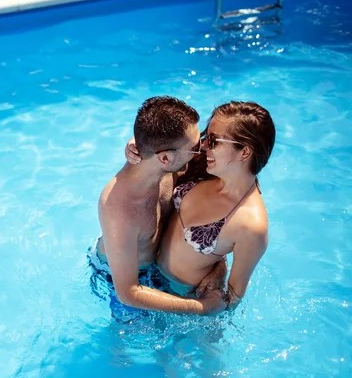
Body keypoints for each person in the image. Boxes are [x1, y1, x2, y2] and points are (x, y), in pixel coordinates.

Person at [125, 101, 276, 310]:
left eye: (214, 141)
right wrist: (139, 146)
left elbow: (231, 297)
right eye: (206, 137)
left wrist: (202, 306)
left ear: (244, 153)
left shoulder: (250, 225)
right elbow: (164, 150)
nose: (203, 146)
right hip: (145, 273)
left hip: (180, 302)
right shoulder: (204, 168)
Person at [90, 96, 228, 318]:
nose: (202, 150)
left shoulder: (167, 164)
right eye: (194, 147)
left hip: (157, 264)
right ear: (164, 158)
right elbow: (128, 292)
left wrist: (219, 268)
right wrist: (202, 307)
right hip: (118, 277)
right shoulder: (119, 210)